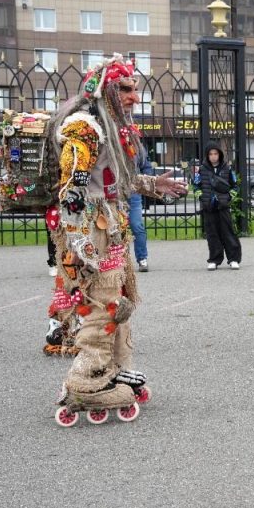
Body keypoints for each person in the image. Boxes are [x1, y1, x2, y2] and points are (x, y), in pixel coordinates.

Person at [49, 54, 187, 426]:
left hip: (110, 225)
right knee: (100, 301)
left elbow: (117, 184)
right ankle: (86, 380)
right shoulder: (85, 128)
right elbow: (73, 187)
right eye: (126, 89)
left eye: (136, 88)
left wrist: (153, 184)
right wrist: (79, 245)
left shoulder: (113, 128)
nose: (134, 97)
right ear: (106, 89)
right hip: (88, 231)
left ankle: (117, 367)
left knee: (121, 298)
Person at [193, 142, 242, 270]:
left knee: (228, 232)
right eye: (211, 154)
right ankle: (214, 259)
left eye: (216, 154)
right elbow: (196, 186)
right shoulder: (202, 169)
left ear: (219, 155)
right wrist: (201, 197)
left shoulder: (227, 168)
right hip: (209, 206)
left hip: (223, 206)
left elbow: (235, 186)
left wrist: (229, 197)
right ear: (207, 156)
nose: (213, 156)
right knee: (212, 233)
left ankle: (234, 259)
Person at [129, 149, 154, 272]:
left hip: (133, 192)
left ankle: (142, 258)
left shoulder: (136, 147)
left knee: (136, 225)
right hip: (113, 193)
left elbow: (146, 167)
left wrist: (143, 181)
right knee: (114, 228)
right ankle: (116, 260)